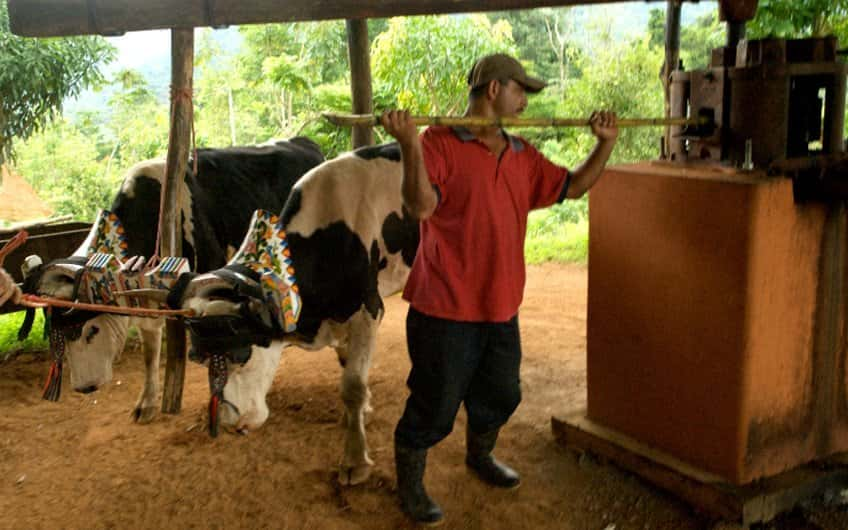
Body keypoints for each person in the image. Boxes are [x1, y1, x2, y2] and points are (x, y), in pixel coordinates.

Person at [380, 53, 618, 525]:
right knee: (435, 406)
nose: (525, 99)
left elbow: (573, 186)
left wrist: (605, 145)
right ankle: (409, 485)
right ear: (493, 89)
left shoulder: (522, 154)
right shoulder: (438, 143)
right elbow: (420, 207)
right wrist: (409, 144)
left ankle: (479, 455)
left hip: (501, 305)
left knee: (503, 393)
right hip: (444, 306)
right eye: (520, 89)